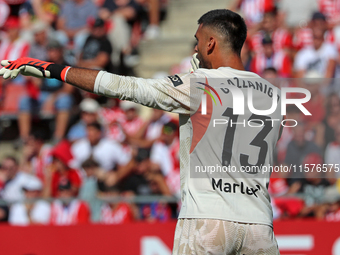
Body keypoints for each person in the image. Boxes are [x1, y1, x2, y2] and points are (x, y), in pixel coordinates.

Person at [0, 9, 282, 254]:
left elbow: (123, 87)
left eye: (197, 42)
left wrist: (51, 69)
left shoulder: (198, 83)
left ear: (211, 43)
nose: (194, 50)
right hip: (259, 223)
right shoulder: (274, 94)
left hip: (207, 220)